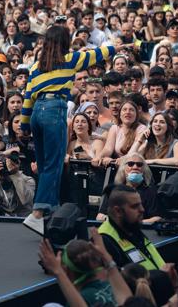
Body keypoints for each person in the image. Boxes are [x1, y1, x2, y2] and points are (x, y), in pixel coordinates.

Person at [19, 25, 123, 235]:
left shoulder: (35, 66)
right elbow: (97, 54)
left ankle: (49, 209)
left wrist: (24, 125)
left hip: (37, 113)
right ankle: (38, 213)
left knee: (43, 164)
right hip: (54, 110)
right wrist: (114, 47)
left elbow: (28, 97)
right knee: (54, 164)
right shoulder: (69, 59)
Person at [97, 153, 162, 223]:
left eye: (139, 164)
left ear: (143, 170)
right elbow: (100, 216)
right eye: (130, 164)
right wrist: (107, 219)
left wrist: (135, 224)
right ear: (123, 168)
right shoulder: (113, 190)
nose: (135, 167)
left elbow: (157, 218)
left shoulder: (150, 191)